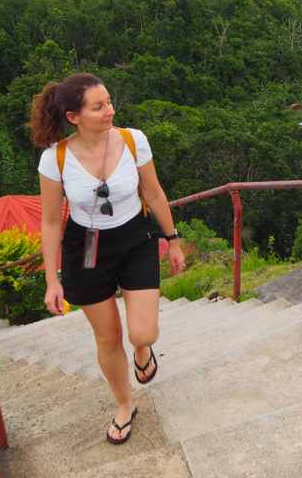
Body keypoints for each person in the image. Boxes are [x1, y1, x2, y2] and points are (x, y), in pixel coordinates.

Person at [30, 73, 185, 445]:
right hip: (85, 247)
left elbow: (156, 192)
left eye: (109, 102)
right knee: (107, 337)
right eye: (98, 107)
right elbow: (50, 221)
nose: (109, 111)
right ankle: (124, 404)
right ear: (73, 117)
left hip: (136, 237)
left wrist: (174, 240)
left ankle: (143, 349)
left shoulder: (133, 140)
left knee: (142, 332)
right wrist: (53, 279)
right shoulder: (56, 158)